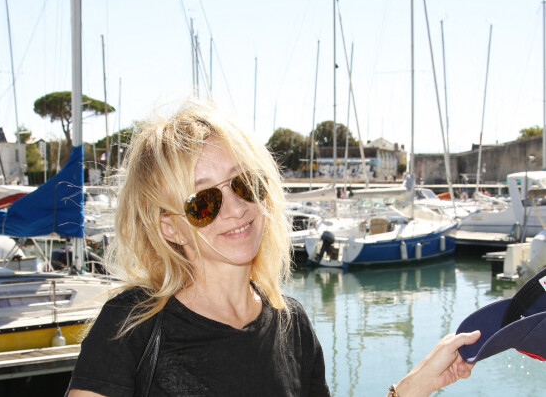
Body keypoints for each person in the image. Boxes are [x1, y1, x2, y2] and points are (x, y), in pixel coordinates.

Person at [67, 99, 480, 397]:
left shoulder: (291, 325)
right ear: (169, 227)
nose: (236, 207)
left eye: (244, 183)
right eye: (203, 202)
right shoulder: (131, 326)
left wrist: (417, 385)